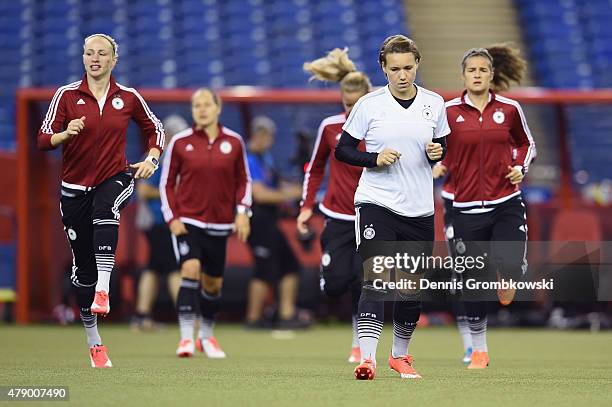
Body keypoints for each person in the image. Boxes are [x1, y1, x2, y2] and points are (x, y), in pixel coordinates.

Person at [37, 33, 164, 368]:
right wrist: (65, 134)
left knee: (106, 209)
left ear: (113, 60)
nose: (95, 58)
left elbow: (155, 129)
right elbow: (43, 138)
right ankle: (94, 341)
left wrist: (151, 158)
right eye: (89, 53)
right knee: (83, 272)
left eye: (102, 53)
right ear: (83, 58)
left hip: (115, 176)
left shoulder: (129, 97)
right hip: (73, 189)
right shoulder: (65, 96)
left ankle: (104, 290)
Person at [335, 35, 450, 380]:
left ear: (417, 65)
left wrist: (437, 152)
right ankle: (367, 359)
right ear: (383, 69)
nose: (402, 75)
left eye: (408, 67)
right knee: (376, 278)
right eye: (395, 68)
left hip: (419, 209)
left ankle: (400, 356)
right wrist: (374, 158)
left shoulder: (435, 103)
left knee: (411, 288)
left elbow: (441, 143)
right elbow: (343, 150)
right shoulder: (369, 105)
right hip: (377, 202)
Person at [442, 44, 536, 369]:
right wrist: (435, 158)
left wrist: (520, 168)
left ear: (492, 74)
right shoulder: (448, 111)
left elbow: (527, 143)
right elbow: (435, 146)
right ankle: (479, 349)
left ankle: (509, 274)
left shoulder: (509, 109)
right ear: (464, 75)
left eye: (483, 70)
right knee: (472, 281)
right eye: (472, 70)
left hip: (506, 200)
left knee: (509, 264)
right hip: (465, 206)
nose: (478, 74)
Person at [160, 88, 252, 358]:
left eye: (206, 104)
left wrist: (243, 211)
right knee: (190, 269)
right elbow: (166, 183)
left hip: (221, 225)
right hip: (188, 222)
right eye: (196, 105)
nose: (201, 109)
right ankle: (186, 338)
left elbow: (244, 181)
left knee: (213, 285)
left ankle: (207, 336)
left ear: (217, 107)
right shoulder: (180, 142)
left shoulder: (234, 142)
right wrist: (172, 218)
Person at [298, 48, 371, 362]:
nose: (352, 108)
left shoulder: (382, 128)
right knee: (336, 285)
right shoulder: (329, 128)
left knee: (363, 280)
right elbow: (314, 168)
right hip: (337, 215)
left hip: (371, 214)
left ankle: (358, 342)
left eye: (357, 103)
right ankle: (329, 274)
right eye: (347, 104)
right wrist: (305, 206)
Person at [245, 116, 307, 329]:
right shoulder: (250, 159)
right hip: (256, 219)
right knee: (263, 269)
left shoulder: (265, 158)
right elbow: (260, 194)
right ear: (260, 135)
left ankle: (286, 314)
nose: (270, 140)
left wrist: (294, 189)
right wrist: (290, 194)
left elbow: (277, 182)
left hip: (270, 220)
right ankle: (253, 318)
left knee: (290, 264)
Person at [132, 115, 188, 331]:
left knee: (154, 268)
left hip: (160, 221)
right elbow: (144, 190)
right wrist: (172, 194)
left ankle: (142, 316)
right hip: (159, 221)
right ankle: (186, 316)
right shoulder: (158, 157)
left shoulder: (170, 157)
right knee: (175, 267)